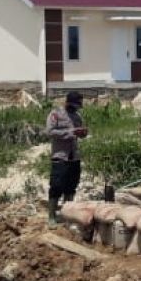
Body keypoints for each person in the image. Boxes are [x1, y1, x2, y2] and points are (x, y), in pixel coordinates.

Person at [46, 91, 87, 223]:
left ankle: (67, 214)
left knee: (71, 186)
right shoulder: (56, 114)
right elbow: (50, 132)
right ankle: (52, 216)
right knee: (56, 186)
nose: (75, 108)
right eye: (74, 105)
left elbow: (80, 133)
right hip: (60, 156)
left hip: (74, 157)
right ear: (67, 102)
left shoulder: (77, 116)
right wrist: (70, 132)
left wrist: (82, 133)